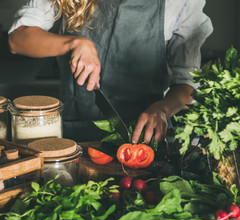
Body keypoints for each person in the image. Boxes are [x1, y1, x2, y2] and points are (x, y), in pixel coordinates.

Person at [8, 0, 213, 144]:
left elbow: (188, 84)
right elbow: (17, 40)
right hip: (75, 133)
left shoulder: (181, 3)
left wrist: (163, 109)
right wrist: (74, 43)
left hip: (144, 138)